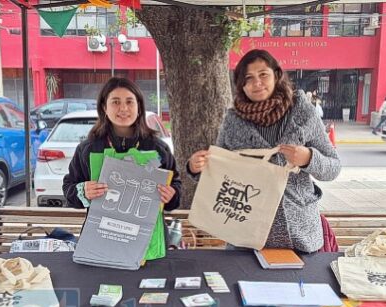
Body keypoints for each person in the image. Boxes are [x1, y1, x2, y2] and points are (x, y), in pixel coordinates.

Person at [187, 49, 341, 253]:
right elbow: (221, 172)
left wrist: (308, 158)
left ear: (277, 75)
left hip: (299, 234)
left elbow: (333, 167)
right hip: (246, 232)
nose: (256, 83)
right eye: (248, 78)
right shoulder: (233, 121)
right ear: (241, 85)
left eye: (263, 75)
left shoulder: (303, 112)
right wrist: (197, 168)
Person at [63, 77, 180, 211]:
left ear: (139, 107)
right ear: (104, 107)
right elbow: (68, 188)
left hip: (147, 229)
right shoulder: (88, 149)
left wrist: (171, 195)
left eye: (130, 102)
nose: (123, 108)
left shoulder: (158, 149)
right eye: (116, 102)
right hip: (101, 229)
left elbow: (175, 187)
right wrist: (83, 192)